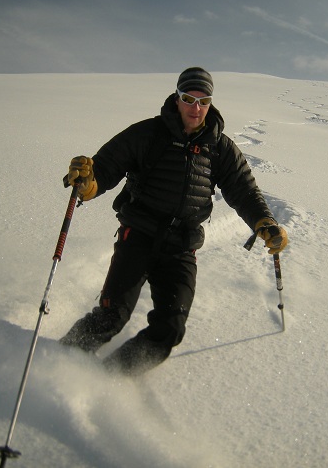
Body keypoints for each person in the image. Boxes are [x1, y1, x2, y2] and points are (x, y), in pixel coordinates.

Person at [60, 67, 288, 375]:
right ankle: (58, 359)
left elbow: (244, 190)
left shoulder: (219, 147)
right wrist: (88, 183)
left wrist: (264, 222)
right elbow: (105, 167)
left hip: (181, 246)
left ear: (211, 103)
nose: (196, 108)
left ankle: (109, 379)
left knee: (170, 328)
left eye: (203, 100)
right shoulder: (147, 134)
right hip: (137, 235)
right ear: (176, 98)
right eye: (188, 99)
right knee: (111, 316)